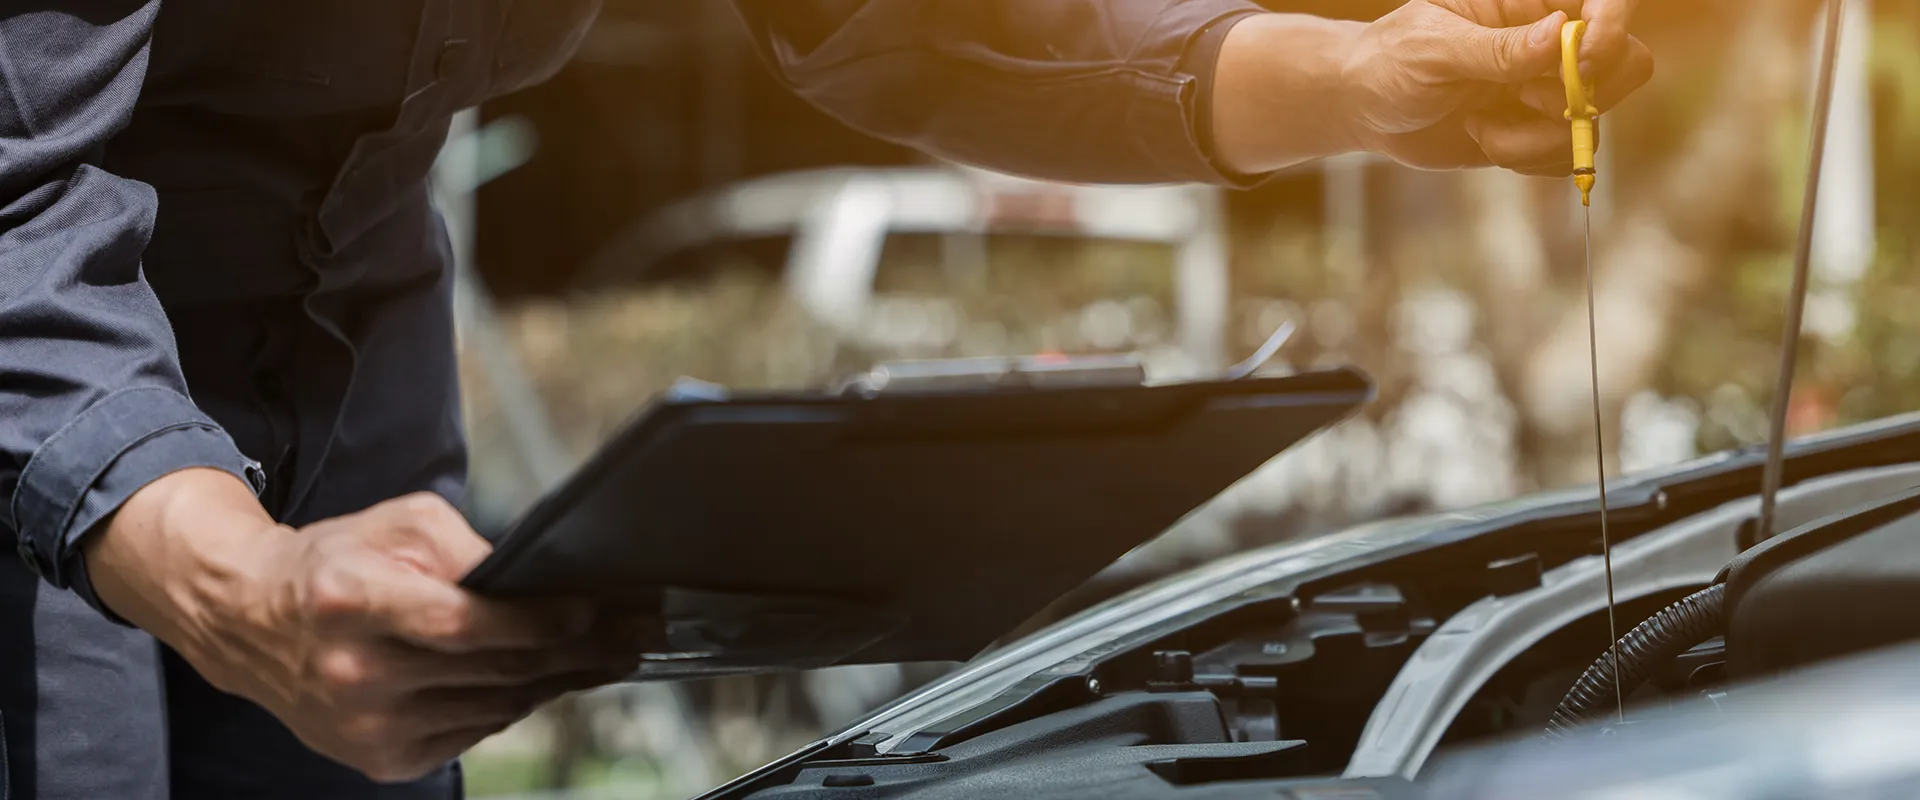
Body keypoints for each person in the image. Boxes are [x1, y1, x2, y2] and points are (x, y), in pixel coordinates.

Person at [0, 1, 1651, 797]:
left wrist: (1353, 81)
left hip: (353, 335)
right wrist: (220, 571)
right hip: (53, 368)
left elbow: (913, 27)